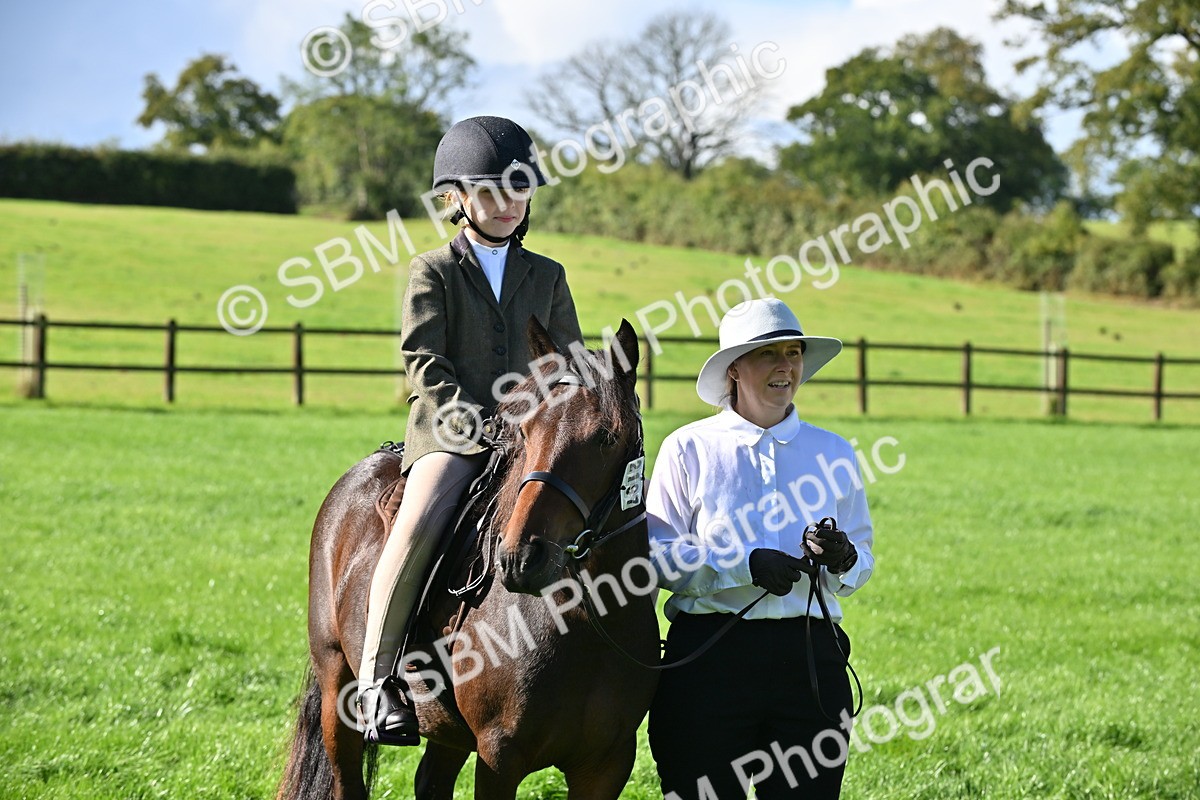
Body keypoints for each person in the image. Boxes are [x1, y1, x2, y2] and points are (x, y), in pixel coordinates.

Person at [357, 116, 584, 746]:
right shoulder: (433, 270)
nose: (508, 204)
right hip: (452, 436)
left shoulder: (549, 275)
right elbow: (425, 363)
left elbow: (566, 361)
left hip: (531, 436)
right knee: (421, 519)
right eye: (491, 193)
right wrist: (477, 425)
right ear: (456, 199)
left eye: (519, 190)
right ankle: (376, 685)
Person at [646, 297, 875, 798]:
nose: (785, 366)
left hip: (810, 663)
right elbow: (656, 557)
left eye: (793, 353)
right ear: (734, 370)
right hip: (710, 660)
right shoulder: (688, 448)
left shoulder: (833, 451)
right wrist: (743, 564)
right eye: (768, 353)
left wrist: (843, 558)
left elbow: (862, 555)